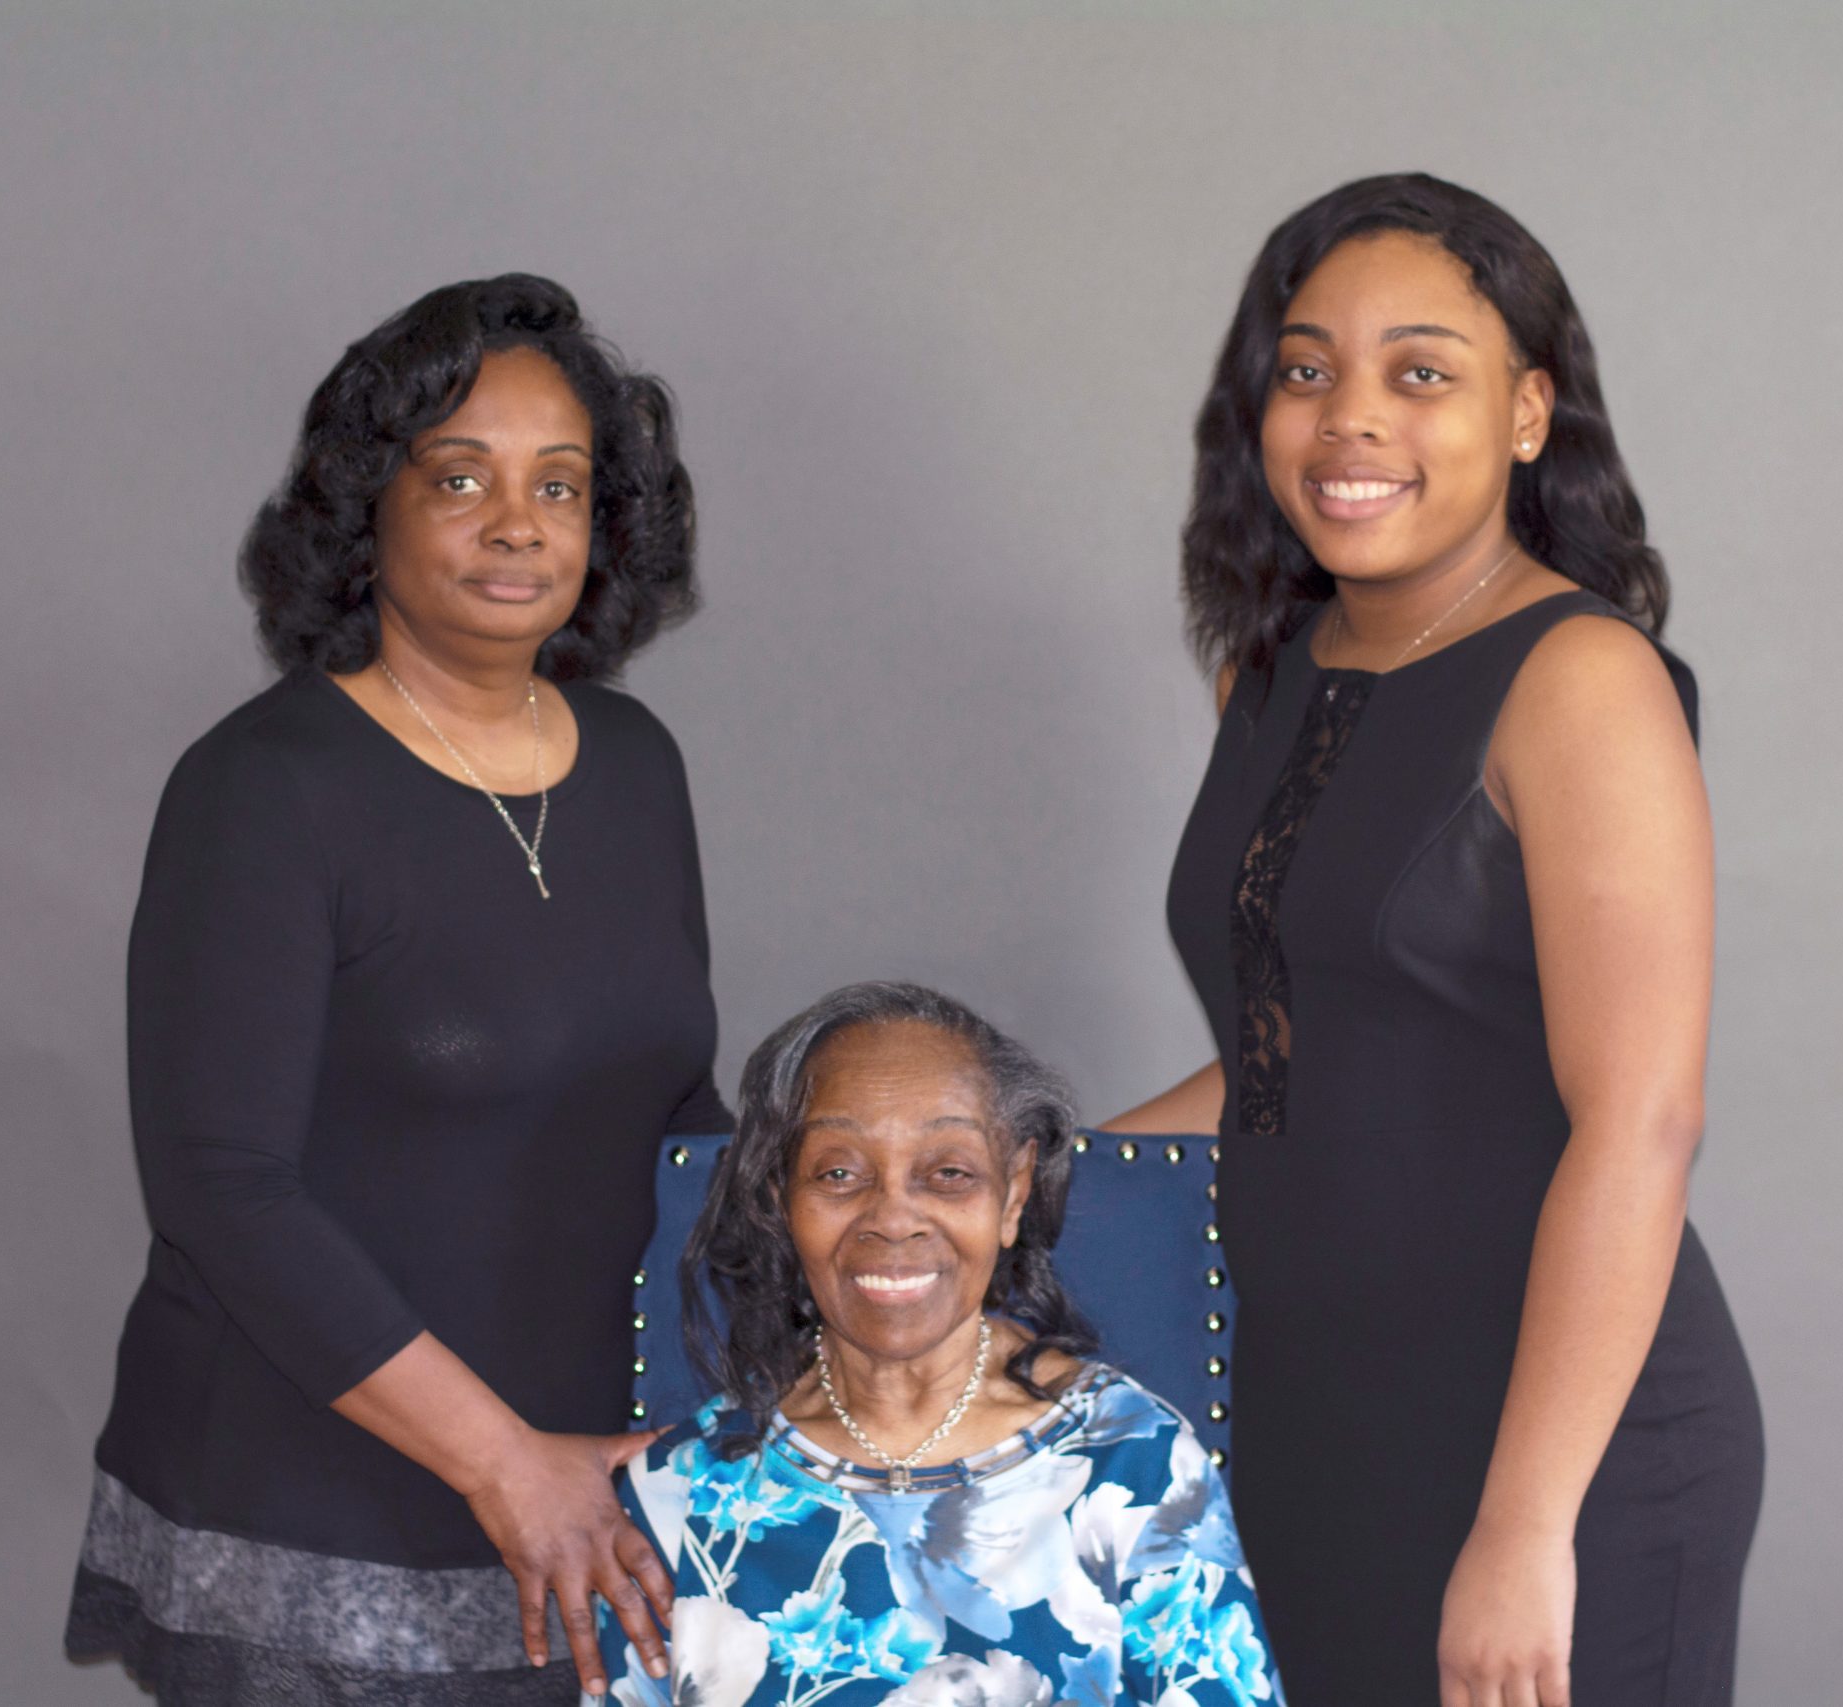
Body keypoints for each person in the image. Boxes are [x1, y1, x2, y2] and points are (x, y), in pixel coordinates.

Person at [1103, 174, 1764, 1707]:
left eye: (1420, 371)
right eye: (1307, 367)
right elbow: (1300, 1057)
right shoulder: (1267, 674)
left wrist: (1527, 1526)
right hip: (1309, 1416)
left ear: (1528, 412)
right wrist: (1035, 1176)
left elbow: (1642, 1121)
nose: (1350, 416)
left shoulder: (1580, 678)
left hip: (1556, 1449)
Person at [64, 274, 727, 1704]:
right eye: (459, 476)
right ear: (367, 505)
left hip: (586, 1505)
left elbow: (678, 1110)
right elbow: (219, 1180)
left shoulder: (634, 761)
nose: (517, 522)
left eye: (561, 483)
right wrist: (507, 1463)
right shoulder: (263, 788)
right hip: (313, 1519)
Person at [594, 982, 1280, 1706]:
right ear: (777, 1197)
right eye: (838, 1173)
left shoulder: (1136, 1465)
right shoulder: (678, 1498)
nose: (893, 1216)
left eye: (948, 1173)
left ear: (1013, 1194)